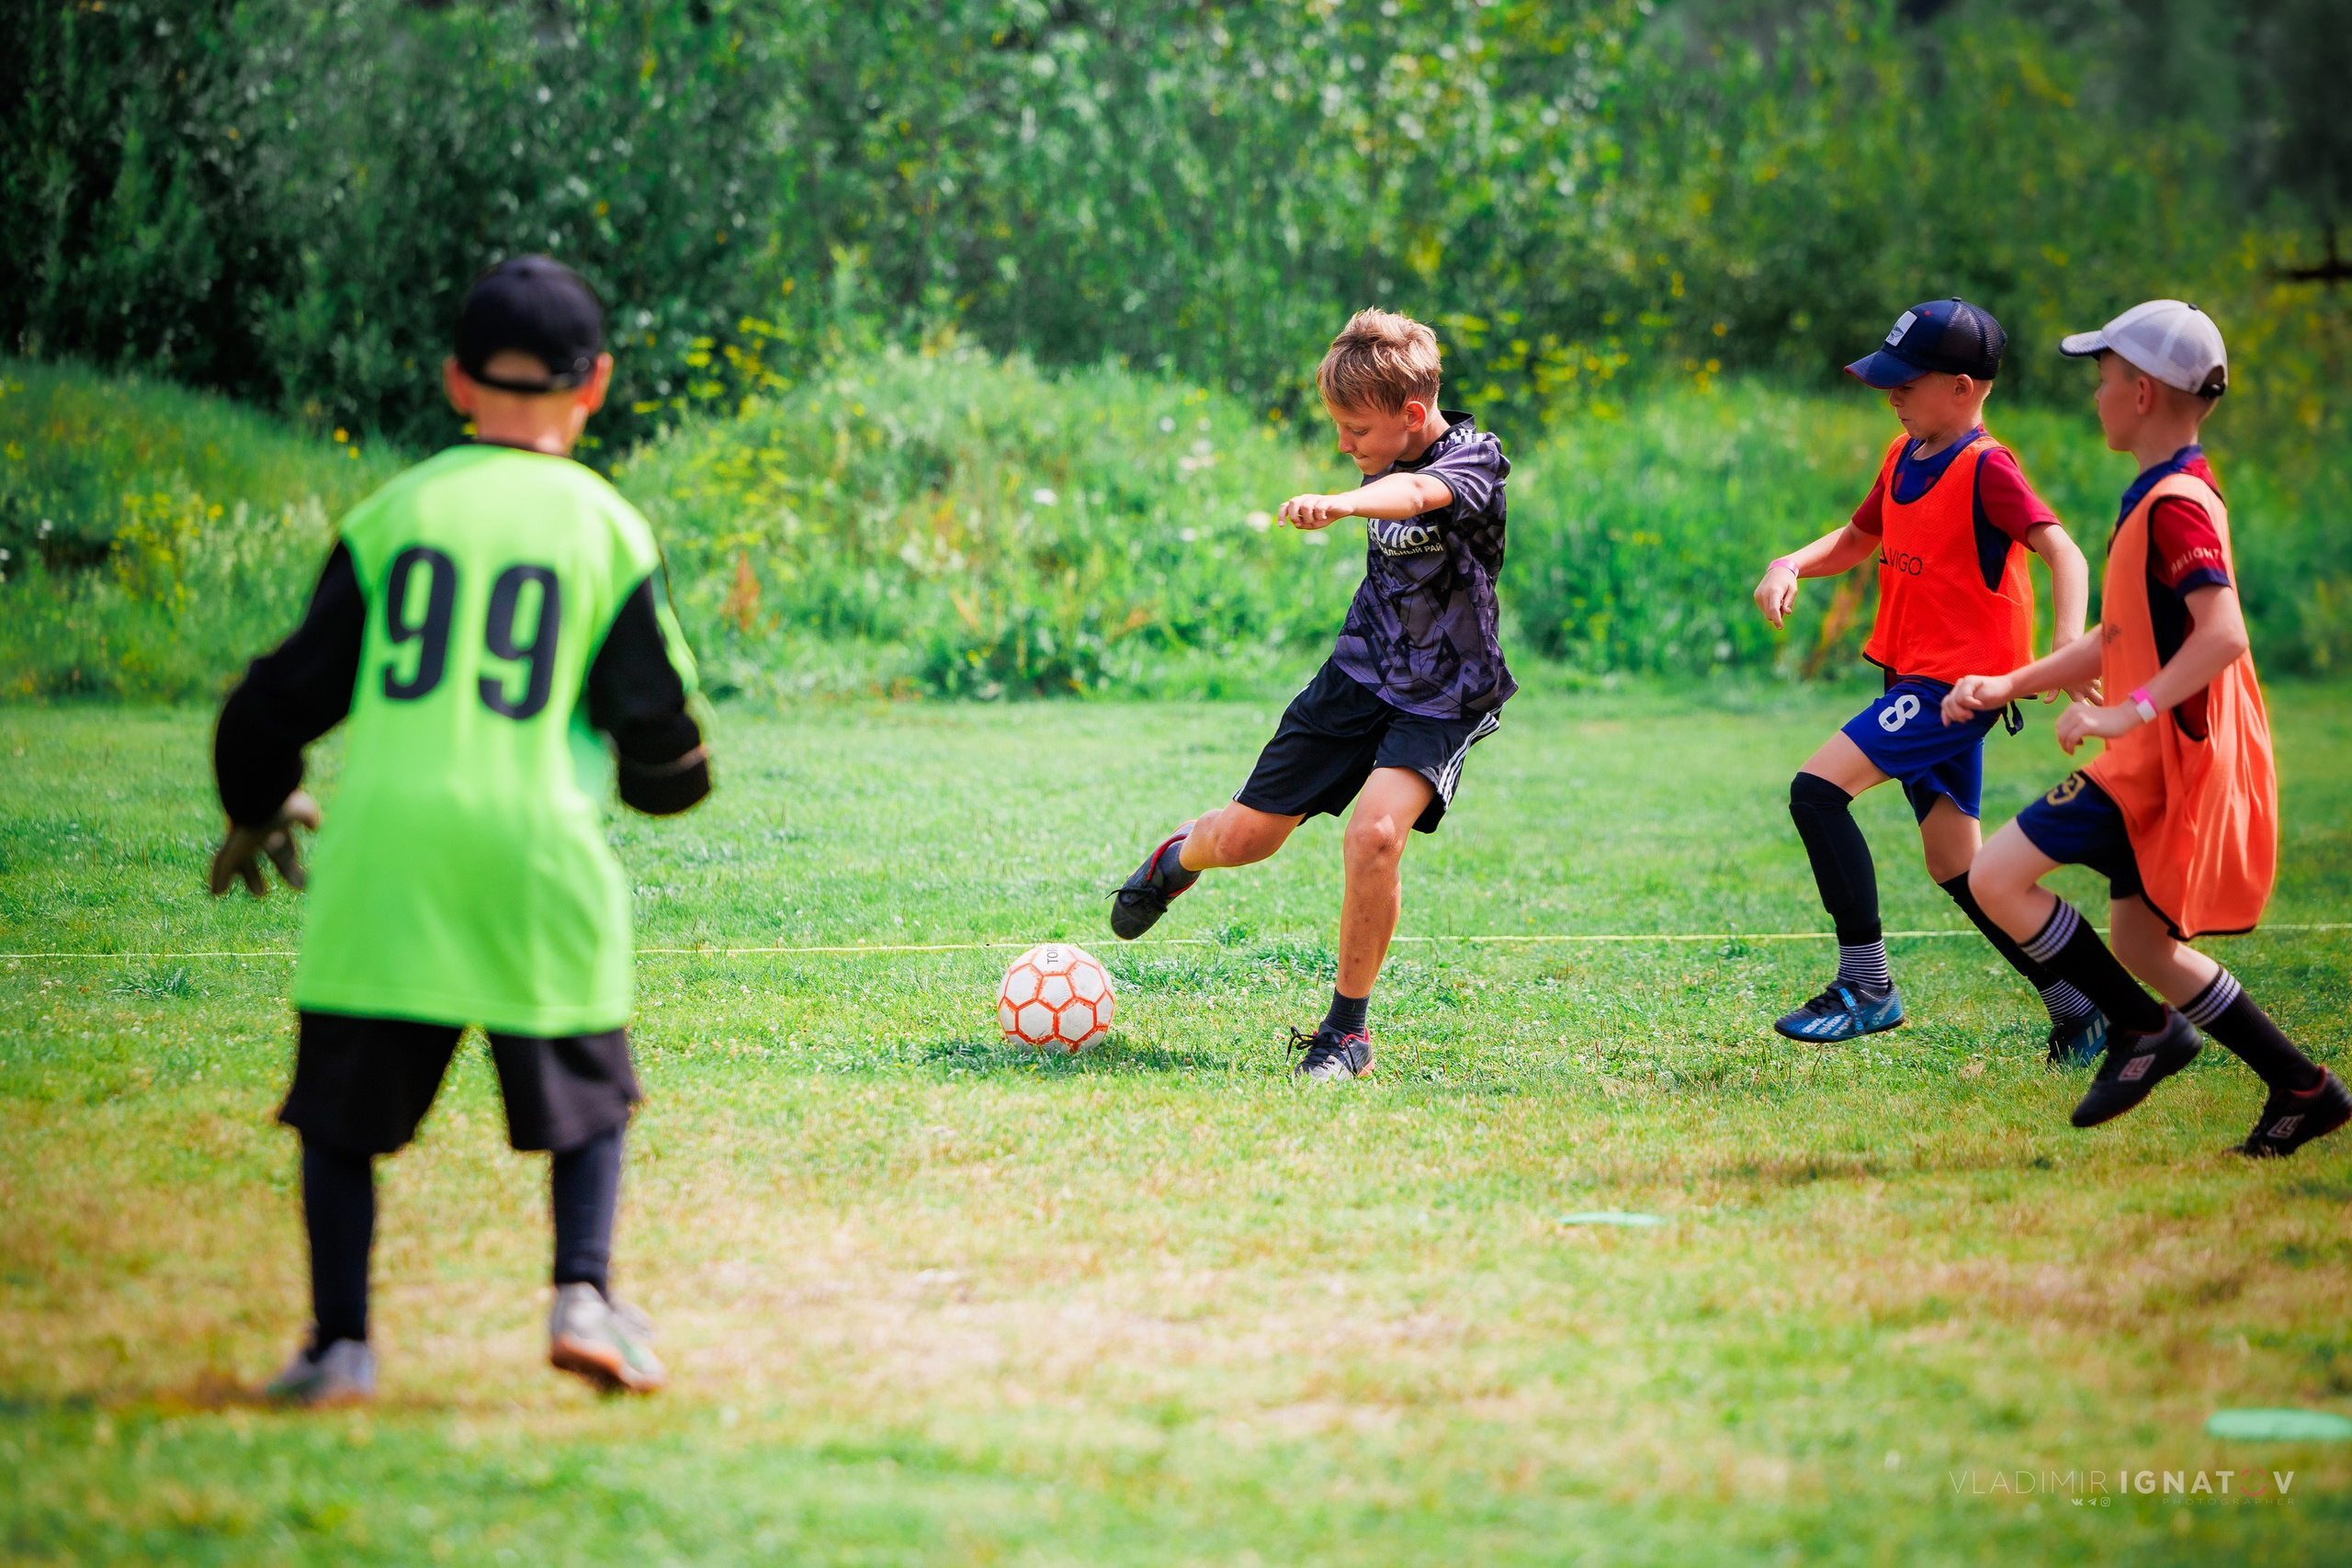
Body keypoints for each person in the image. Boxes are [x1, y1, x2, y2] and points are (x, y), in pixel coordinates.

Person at [211, 255, 713, 1405]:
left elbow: (274, 701)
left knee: (341, 1120)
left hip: (388, 855)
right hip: (534, 852)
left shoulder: (398, 514)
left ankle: (340, 1345)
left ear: (455, 382)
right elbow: (659, 746)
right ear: (595, 387)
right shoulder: (605, 526)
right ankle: (582, 1294)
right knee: (588, 1093)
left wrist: (258, 799)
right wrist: (663, 778)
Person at [1947, 299, 2347, 1156]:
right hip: (2153, 755)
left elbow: (2223, 633)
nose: (2095, 396)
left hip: (2153, 760)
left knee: (1995, 876)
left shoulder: (2175, 505)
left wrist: (2121, 713)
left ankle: (2142, 1028)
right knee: (2140, 941)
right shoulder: (2166, 495)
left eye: (2102, 380)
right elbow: (2120, 631)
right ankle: (2303, 1087)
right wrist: (2009, 682)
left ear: (2141, 392)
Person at [1107, 310, 1511, 1081]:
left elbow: (1419, 493)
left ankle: (1346, 1034)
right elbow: (1394, 474)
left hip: (1443, 692)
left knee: (1375, 836)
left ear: (1413, 414)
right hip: (1356, 675)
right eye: (1339, 428)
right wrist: (1358, 479)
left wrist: (1347, 502)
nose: (1345, 446)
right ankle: (1175, 857)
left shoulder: (1476, 460)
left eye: (1355, 430)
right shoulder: (1385, 443)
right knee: (1244, 841)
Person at [1752, 298, 2104, 1057]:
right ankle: (2079, 1005)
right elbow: (1858, 537)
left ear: (1963, 387)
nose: (1892, 395)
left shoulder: (1987, 467)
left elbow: (2065, 552)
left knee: (1816, 792)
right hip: (1909, 677)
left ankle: (1866, 984)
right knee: (1959, 868)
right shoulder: (1903, 454)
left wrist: (2067, 647)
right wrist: (1790, 564)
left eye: (1906, 383)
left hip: (1952, 691)